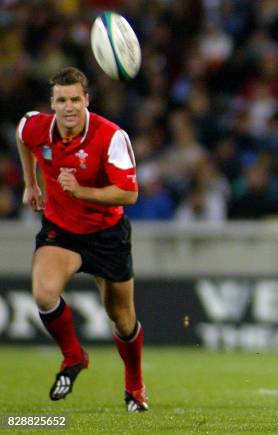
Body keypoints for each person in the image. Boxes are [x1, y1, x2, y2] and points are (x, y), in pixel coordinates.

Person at [16, 67, 148, 412]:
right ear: (52, 103)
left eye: (76, 99)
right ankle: (74, 356)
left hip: (106, 234)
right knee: (44, 294)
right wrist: (30, 182)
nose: (69, 106)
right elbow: (22, 135)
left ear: (87, 100)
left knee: (122, 319)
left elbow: (129, 193)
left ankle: (134, 384)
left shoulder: (111, 136)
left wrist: (82, 191)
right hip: (62, 231)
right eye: (62, 100)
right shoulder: (37, 128)